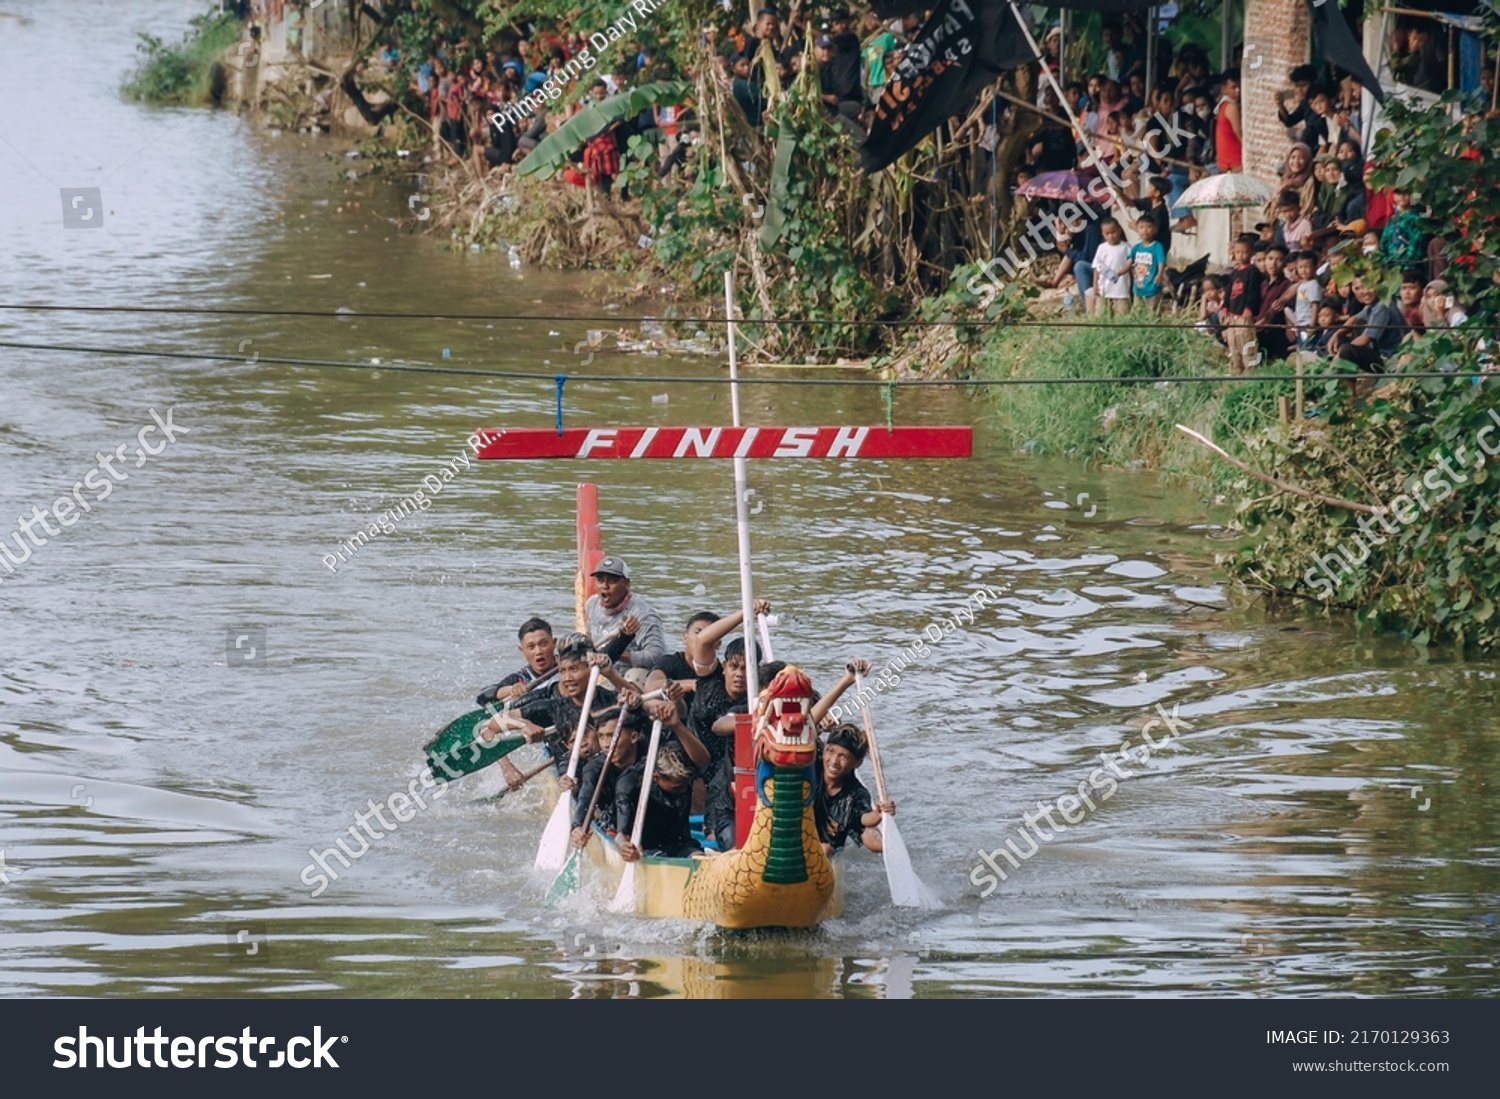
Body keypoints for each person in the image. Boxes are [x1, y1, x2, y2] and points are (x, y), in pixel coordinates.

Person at [615, 740, 705, 860]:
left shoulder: (685, 772)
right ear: (656, 777)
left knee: (698, 856)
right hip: (644, 844)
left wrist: (676, 724)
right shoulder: (629, 784)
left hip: (677, 842)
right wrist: (624, 847)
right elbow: (621, 834)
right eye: (677, 788)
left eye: (685, 785)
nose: (683, 791)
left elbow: (704, 760)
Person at [814, 724, 894, 856]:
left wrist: (879, 813)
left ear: (857, 763)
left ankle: (883, 845)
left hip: (829, 851)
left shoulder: (856, 794)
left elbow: (864, 818)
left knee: (860, 833)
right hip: (804, 836)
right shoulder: (812, 767)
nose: (834, 761)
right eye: (830, 751)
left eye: (843, 757)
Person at [584, 555, 667, 679]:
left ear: (627, 584)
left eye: (612, 580)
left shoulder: (643, 615)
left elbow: (657, 657)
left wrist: (615, 652)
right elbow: (589, 638)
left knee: (635, 675)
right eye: (600, 580)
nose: (605, 586)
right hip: (600, 672)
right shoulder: (591, 604)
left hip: (630, 679)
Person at [1329, 276, 1405, 373]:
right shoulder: (1370, 307)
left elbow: (1364, 340)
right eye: (1357, 288)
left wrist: (1339, 355)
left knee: (1347, 351)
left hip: (1392, 359)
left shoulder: (1383, 305)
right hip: (1380, 355)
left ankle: (1349, 386)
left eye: (1367, 286)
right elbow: (1354, 318)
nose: (1363, 292)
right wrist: (1337, 334)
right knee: (1356, 328)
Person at [477, 617, 556, 708]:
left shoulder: (567, 667)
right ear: (522, 651)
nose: (538, 651)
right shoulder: (521, 678)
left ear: (554, 643)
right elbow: (482, 697)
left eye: (543, 644)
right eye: (531, 647)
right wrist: (510, 690)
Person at [1222, 234, 1264, 373]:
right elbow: (1228, 292)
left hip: (1244, 316)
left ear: (1251, 253)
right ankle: (1237, 368)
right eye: (1238, 252)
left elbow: (1253, 291)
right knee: (1233, 344)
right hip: (1232, 315)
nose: (1241, 255)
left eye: (1244, 252)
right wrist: (1225, 309)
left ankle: (1251, 371)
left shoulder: (1252, 271)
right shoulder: (1234, 272)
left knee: (1246, 343)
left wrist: (1249, 308)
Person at [1255, 245, 1294, 361]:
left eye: (1279, 260)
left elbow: (1278, 308)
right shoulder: (1262, 284)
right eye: (1270, 259)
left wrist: (1263, 321)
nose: (1273, 264)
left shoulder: (1287, 285)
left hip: (1275, 333)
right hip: (1258, 331)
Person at [1091, 218, 1132, 315]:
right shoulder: (1102, 248)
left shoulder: (1126, 247)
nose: (1111, 236)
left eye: (1113, 232)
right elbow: (1097, 268)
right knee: (1101, 315)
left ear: (1119, 230)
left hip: (1121, 290)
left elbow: (1131, 266)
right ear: (1103, 234)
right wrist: (1095, 284)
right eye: (1107, 233)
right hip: (1104, 290)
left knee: (1122, 316)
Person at [1128, 215, 1168, 312]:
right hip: (1138, 287)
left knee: (1152, 311)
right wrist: (1120, 272)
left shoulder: (1157, 246)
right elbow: (1130, 262)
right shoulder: (1136, 247)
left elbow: (1161, 262)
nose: (1145, 230)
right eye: (1141, 227)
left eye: (1148, 227)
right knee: (1137, 311)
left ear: (1154, 229)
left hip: (1153, 286)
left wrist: (1159, 275)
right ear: (1137, 229)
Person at [1215, 69, 1243, 173]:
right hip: (1235, 163)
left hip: (1226, 163)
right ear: (1224, 89)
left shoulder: (1223, 106)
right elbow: (1240, 136)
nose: (1238, 90)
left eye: (1239, 86)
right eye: (1233, 87)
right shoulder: (1231, 107)